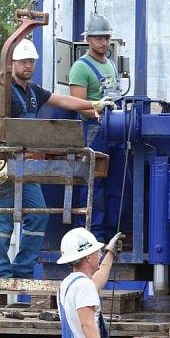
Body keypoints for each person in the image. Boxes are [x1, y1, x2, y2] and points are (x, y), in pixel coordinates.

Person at [0, 38, 113, 279]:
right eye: (24, 61)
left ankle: (21, 272)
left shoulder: (33, 92)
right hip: (1, 163)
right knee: (3, 218)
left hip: (26, 164)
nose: (28, 65)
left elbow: (63, 100)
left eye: (31, 61)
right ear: (12, 64)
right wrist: (3, 153)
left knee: (39, 213)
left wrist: (93, 104)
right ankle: (0, 275)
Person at [69, 14, 119, 242]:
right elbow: (79, 106)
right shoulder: (80, 68)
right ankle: (90, 234)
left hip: (114, 131)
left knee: (114, 183)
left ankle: (109, 233)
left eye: (107, 38)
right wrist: (98, 110)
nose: (104, 42)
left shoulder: (111, 64)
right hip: (93, 131)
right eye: (99, 38)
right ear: (88, 39)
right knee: (93, 182)